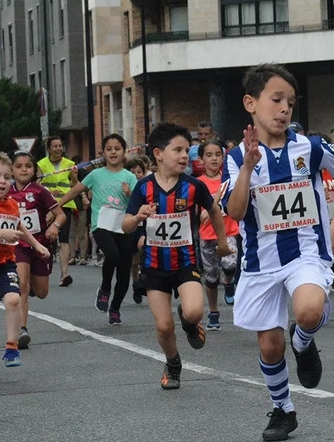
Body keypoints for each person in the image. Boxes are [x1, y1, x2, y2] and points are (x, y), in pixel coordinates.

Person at [222, 63, 334, 442]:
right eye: (276, 100)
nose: (284, 108)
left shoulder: (312, 147)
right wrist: (248, 169)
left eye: (290, 102)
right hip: (260, 261)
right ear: (251, 103)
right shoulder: (236, 158)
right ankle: (283, 409)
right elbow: (235, 212)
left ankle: (302, 341)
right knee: (270, 345)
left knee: (308, 310)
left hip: (306, 251)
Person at [124, 123, 230, 389]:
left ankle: (189, 321)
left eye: (187, 151)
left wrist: (222, 242)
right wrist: (137, 217)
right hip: (154, 266)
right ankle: (172, 364)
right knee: (163, 327)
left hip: (185, 262)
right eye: (178, 150)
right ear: (158, 154)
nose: (185, 156)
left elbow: (214, 211)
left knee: (194, 311)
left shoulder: (193, 186)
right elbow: (125, 225)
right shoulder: (143, 188)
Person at [0, 152, 51, 367]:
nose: (2, 181)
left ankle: (12, 349)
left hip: (4, 264)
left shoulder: (12, 205)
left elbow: (20, 226)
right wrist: (2, 234)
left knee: (14, 299)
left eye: (6, 177)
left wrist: (37, 245)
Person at [55, 134, 138, 325]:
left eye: (117, 148)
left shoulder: (130, 177)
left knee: (124, 272)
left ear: (124, 152)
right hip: (101, 224)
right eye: (109, 149)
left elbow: (138, 201)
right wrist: (57, 206)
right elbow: (76, 190)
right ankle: (105, 289)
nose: (113, 152)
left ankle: (115, 308)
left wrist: (129, 193)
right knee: (112, 255)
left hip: (123, 226)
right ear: (103, 153)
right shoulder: (96, 175)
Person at [7, 150, 65, 349]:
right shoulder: (6, 191)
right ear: (11, 170)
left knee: (41, 292)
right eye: (18, 166)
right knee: (21, 286)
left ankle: (31, 282)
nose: (23, 170)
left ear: (34, 170)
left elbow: (60, 214)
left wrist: (54, 226)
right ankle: (21, 330)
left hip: (39, 245)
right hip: (18, 245)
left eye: (28, 166)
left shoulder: (40, 191)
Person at [196, 139, 240, 329]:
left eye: (217, 154)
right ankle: (213, 312)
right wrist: (202, 214)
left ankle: (229, 281)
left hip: (229, 231)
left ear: (223, 157)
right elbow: (193, 211)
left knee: (230, 265)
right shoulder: (198, 183)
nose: (214, 159)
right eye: (209, 155)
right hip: (207, 235)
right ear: (201, 159)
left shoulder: (228, 180)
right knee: (211, 277)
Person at [36, 137, 78, 287]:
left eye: (60, 145)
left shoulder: (69, 164)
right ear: (49, 149)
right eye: (55, 146)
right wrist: (48, 191)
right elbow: (36, 185)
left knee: (64, 240)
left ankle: (64, 275)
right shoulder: (42, 164)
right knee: (44, 238)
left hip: (64, 205)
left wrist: (84, 197)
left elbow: (76, 183)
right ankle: (39, 272)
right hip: (46, 206)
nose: (59, 148)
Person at [126, 155, 149, 304]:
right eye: (132, 172)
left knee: (143, 247)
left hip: (145, 225)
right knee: (133, 262)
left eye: (139, 172)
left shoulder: (147, 186)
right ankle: (135, 282)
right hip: (130, 225)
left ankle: (144, 277)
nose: (136, 175)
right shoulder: (124, 185)